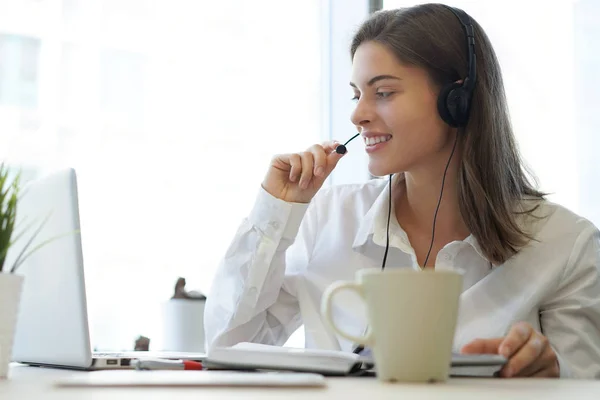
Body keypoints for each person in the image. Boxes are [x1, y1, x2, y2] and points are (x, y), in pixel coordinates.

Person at [204, 4, 600, 379]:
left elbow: (585, 382)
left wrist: (554, 373)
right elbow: (228, 349)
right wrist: (277, 214)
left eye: (384, 92)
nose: (357, 114)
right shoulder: (329, 218)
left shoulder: (566, 244)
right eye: (357, 94)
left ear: (457, 101)